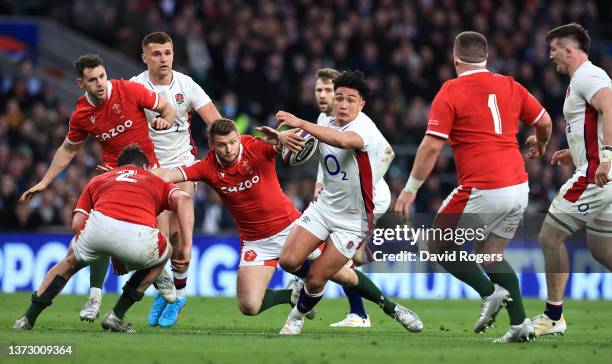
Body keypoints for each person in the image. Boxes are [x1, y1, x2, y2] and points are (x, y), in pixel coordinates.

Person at [393, 31, 553, 343]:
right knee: (490, 254)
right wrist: (541, 145)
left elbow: (430, 146)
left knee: (437, 245)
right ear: (486, 58)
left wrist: (411, 188)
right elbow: (544, 122)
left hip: (482, 186)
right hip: (519, 186)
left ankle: (489, 292)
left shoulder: (451, 90)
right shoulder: (510, 84)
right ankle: (520, 324)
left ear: (455, 59)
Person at [19, 54, 178, 323]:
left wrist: (164, 120)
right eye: (93, 80)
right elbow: (68, 148)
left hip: (149, 172)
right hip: (112, 177)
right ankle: (96, 297)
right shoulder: (82, 114)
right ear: (81, 83)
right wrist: (47, 180)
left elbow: (167, 107)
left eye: (102, 77)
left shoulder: (129, 90)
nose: (100, 84)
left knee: (160, 236)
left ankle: (155, 277)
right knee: (97, 233)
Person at [86, 31, 223, 328]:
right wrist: (115, 167)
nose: (163, 58)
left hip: (183, 165)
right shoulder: (135, 86)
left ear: (173, 54)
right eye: (157, 54)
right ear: (144, 57)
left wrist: (224, 150)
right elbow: (117, 127)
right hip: (149, 171)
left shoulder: (186, 85)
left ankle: (178, 293)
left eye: (168, 53)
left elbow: (215, 122)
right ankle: (164, 287)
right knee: (161, 242)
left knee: (178, 235)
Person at [273, 70, 423, 336]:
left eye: (350, 100)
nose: (343, 104)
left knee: (317, 277)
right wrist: (283, 141)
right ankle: (332, 270)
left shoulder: (363, 127)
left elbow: (343, 141)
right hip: (325, 206)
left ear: (361, 104)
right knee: (287, 260)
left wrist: (301, 123)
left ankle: (296, 317)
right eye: (339, 97)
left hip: (354, 217)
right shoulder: (324, 120)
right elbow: (314, 146)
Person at [13, 145, 194, 332]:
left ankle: (27, 318)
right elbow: (184, 200)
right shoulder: (155, 180)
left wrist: (92, 248)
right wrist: (187, 245)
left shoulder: (99, 179)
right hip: (139, 240)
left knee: (67, 263)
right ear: (146, 167)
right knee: (166, 252)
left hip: (98, 229)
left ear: (118, 167)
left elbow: (77, 223)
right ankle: (116, 315)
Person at [152, 118, 319, 318]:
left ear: (238, 138)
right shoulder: (207, 167)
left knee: (340, 272)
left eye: (233, 142)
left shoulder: (256, 147)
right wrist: (131, 173)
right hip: (255, 241)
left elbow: (292, 141)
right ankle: (293, 294)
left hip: (290, 226)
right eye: (222, 145)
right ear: (212, 146)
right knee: (248, 306)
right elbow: (169, 174)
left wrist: (283, 138)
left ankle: (358, 313)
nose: (229, 149)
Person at [531, 23, 612, 337]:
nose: (551, 56)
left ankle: (553, 316)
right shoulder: (583, 79)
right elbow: (595, 120)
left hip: (596, 175)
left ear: (569, 49)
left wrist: (605, 156)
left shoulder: (588, 76)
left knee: (549, 237)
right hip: (596, 169)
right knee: (603, 249)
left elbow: (609, 107)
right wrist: (575, 151)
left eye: (553, 49)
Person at [310, 67, 371, 328]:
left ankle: (359, 314)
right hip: (335, 195)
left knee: (341, 258)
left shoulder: (358, 123)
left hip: (364, 195)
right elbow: (328, 160)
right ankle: (357, 312)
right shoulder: (323, 121)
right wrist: (319, 182)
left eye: (327, 90)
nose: (323, 95)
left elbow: (384, 154)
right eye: (318, 90)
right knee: (343, 258)